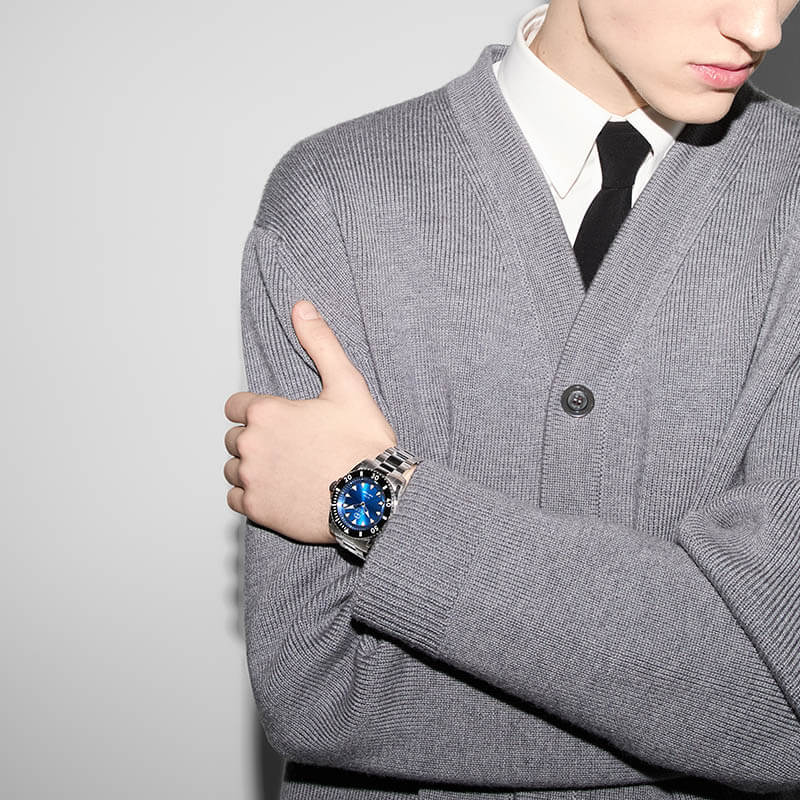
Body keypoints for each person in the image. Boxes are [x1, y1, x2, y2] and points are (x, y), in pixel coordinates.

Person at [223, 1, 800, 798]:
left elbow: (785, 717)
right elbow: (317, 693)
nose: (764, 29)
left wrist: (380, 503)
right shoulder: (336, 196)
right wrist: (707, 701)